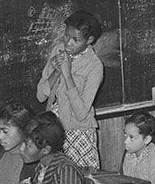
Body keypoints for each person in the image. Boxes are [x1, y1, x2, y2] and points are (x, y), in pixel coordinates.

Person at [36, 10, 104, 168]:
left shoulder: (94, 66)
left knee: (81, 183)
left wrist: (67, 74)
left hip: (78, 133)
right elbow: (41, 95)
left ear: (89, 40)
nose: (68, 43)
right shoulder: (58, 50)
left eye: (76, 40)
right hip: (53, 130)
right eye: (66, 36)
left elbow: (81, 114)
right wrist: (56, 71)